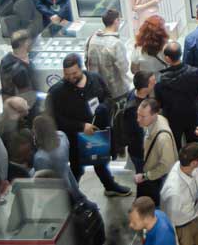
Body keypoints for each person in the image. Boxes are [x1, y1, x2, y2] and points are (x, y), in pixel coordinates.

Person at [45, 54, 133, 196]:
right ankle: (70, 195)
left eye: (74, 73)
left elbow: (108, 97)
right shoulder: (57, 92)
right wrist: (81, 126)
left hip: (97, 133)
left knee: (101, 162)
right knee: (76, 168)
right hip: (75, 138)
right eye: (67, 74)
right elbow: (56, 119)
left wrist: (105, 106)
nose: (71, 77)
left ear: (81, 68)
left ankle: (109, 186)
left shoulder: (95, 79)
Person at [161, 144, 198, 245]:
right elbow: (170, 221)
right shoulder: (173, 192)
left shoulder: (192, 167)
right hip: (182, 227)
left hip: (197, 216)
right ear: (194, 162)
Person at [31, 113, 88, 203]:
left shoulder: (41, 157)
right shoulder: (62, 136)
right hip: (71, 184)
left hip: (57, 195)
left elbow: (43, 183)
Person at [157, 41, 198, 147]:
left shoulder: (162, 79)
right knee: (193, 145)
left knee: (175, 146)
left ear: (167, 58)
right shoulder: (195, 72)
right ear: (181, 54)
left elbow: (160, 102)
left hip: (172, 118)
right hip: (192, 114)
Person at [136, 97, 179, 203]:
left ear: (154, 115)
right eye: (138, 114)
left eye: (143, 116)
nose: (138, 119)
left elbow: (167, 166)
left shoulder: (163, 138)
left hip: (158, 180)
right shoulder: (159, 119)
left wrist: (146, 176)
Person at [85, 8, 133, 102]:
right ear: (116, 21)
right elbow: (124, 68)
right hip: (116, 91)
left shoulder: (91, 39)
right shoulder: (116, 43)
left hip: (98, 88)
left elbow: (86, 61)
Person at [0, 29, 36, 111]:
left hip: (9, 106)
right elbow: (28, 98)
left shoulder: (5, 60)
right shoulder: (21, 70)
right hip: (22, 109)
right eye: (30, 41)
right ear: (26, 43)